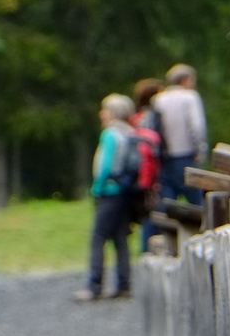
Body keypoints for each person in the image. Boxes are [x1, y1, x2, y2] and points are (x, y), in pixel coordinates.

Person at [78, 94, 139, 302]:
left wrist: (97, 188)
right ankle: (124, 285)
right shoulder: (130, 133)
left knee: (98, 237)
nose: (101, 113)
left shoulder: (110, 134)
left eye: (105, 109)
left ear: (113, 113)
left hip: (110, 191)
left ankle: (94, 286)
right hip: (126, 192)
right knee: (120, 238)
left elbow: (105, 166)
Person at [149, 64, 207, 207]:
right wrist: (200, 150)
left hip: (165, 158)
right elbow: (197, 127)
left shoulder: (158, 99)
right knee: (197, 204)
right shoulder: (190, 97)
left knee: (167, 206)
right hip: (187, 155)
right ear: (185, 80)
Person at [132, 78, 163, 250]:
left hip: (140, 176)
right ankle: (150, 250)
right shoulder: (150, 118)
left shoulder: (136, 118)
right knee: (153, 213)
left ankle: (146, 250)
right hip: (150, 175)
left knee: (147, 215)